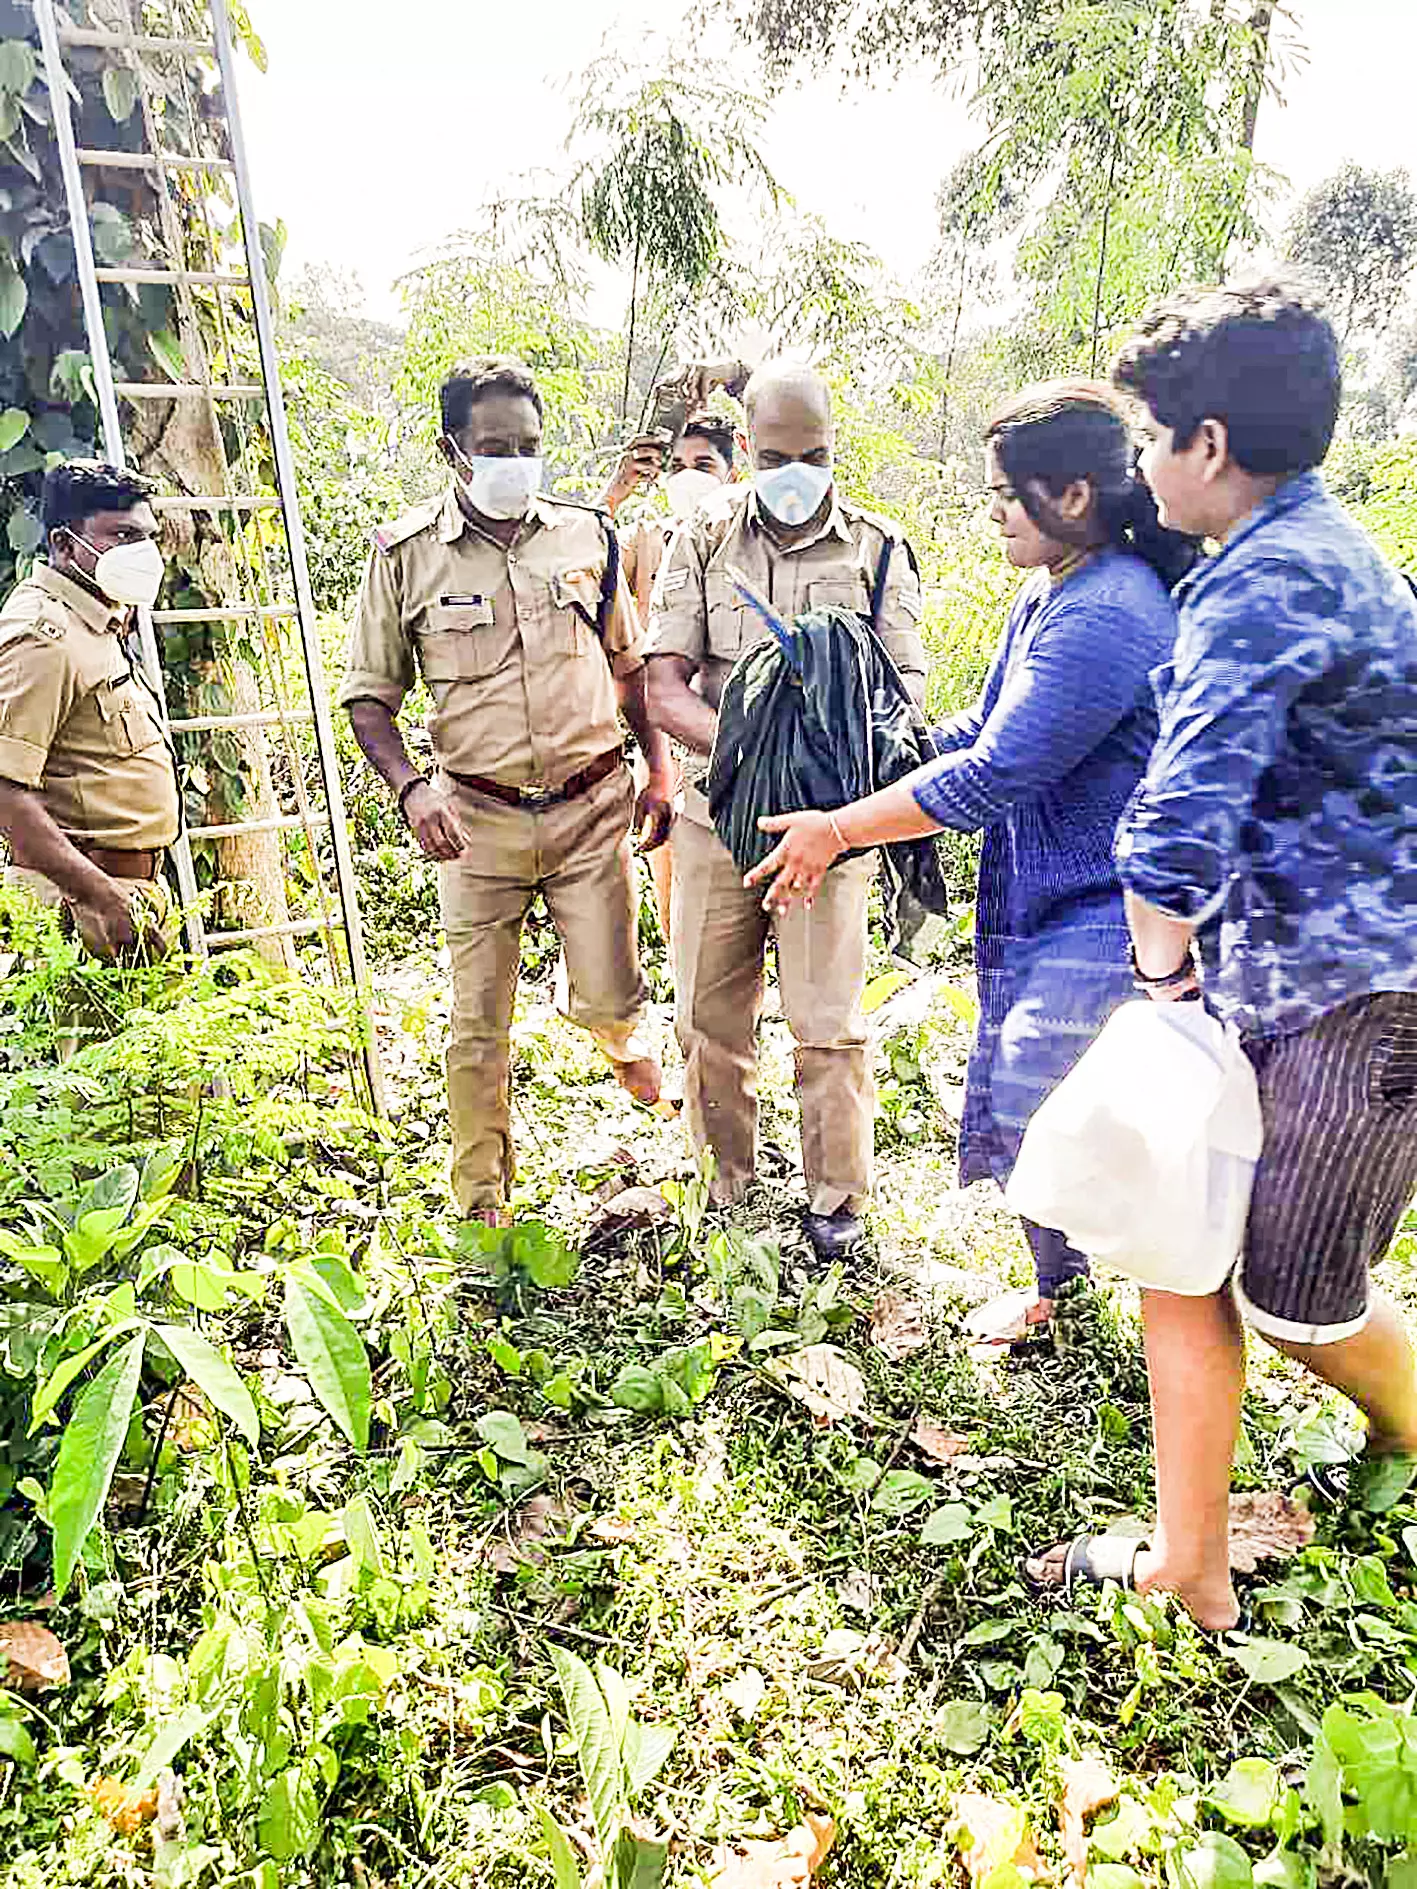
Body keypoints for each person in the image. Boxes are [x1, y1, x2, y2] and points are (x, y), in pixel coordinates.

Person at [1025, 278, 1417, 1631]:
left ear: (1203, 446)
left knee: (1298, 1291)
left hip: (1350, 992)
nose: (1137, 464)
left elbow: (1174, 830)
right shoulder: (1318, 545)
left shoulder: (1264, 579)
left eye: (1147, 436)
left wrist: (1158, 989)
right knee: (1182, 1250)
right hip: (1296, 974)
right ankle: (1188, 1570)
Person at [745, 382, 1193, 1337]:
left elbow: (992, 774)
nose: (988, 511)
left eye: (1002, 493)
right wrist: (861, 756)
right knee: (1044, 1092)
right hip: (1048, 888)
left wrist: (837, 829)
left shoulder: (1108, 611)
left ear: (1070, 495)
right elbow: (975, 727)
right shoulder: (1049, 589)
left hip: (1108, 898)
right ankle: (1064, 1286)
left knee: (1042, 1086)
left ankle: (1136, 1289)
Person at [340, 356, 677, 1224]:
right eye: (496, 447)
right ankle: (482, 1203)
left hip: (590, 808)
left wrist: (658, 769)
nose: (515, 463)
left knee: (612, 995)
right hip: (476, 822)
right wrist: (412, 789)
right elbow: (370, 698)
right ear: (452, 449)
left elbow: (629, 670)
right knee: (476, 1027)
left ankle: (602, 1026)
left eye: (528, 446)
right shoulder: (405, 556)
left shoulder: (585, 537)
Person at [646, 360, 928, 1258]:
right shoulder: (699, 541)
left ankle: (836, 1200)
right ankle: (726, 1183)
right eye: (773, 454)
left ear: (834, 447)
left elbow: (903, 690)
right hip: (715, 817)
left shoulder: (876, 549)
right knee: (707, 1014)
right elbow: (663, 685)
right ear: (747, 449)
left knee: (828, 1020)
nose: (793, 470)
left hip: (830, 832)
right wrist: (752, 754)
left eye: (811, 454)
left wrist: (826, 784)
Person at [0, 459, 178, 961]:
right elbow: (6, 790)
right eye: (121, 536)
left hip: (119, 897)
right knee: (90, 1041)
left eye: (146, 538)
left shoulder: (97, 620)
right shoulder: (42, 636)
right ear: (62, 544)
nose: (140, 553)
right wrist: (98, 895)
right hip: (77, 907)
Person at [599, 412, 738, 941]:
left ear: (732, 469)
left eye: (703, 464)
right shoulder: (648, 540)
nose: (689, 476)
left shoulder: (746, 536)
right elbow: (582, 548)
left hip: (726, 730)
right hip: (664, 736)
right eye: (678, 465)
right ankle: (688, 982)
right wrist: (619, 488)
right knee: (672, 875)